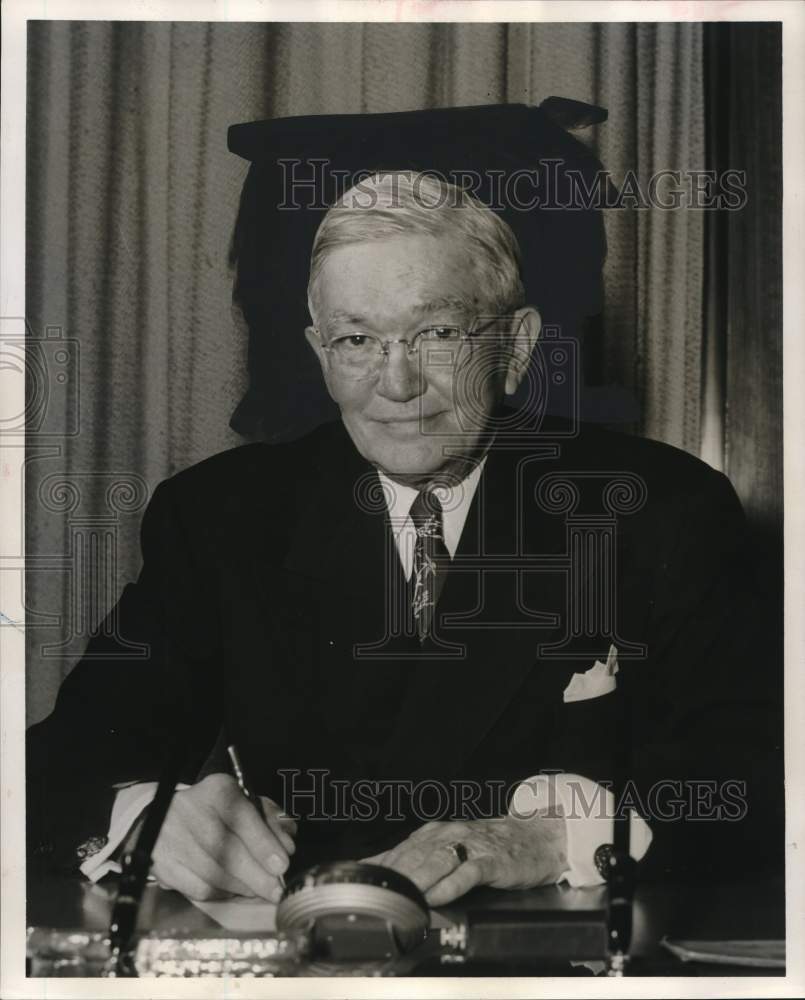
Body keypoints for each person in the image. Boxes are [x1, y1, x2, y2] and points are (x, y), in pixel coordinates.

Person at [27, 150, 781, 910]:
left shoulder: (659, 507)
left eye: (438, 333)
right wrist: (143, 819)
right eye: (358, 341)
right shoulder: (220, 516)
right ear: (321, 354)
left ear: (516, 346)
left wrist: (556, 838)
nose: (395, 383)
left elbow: (753, 781)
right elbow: (60, 764)